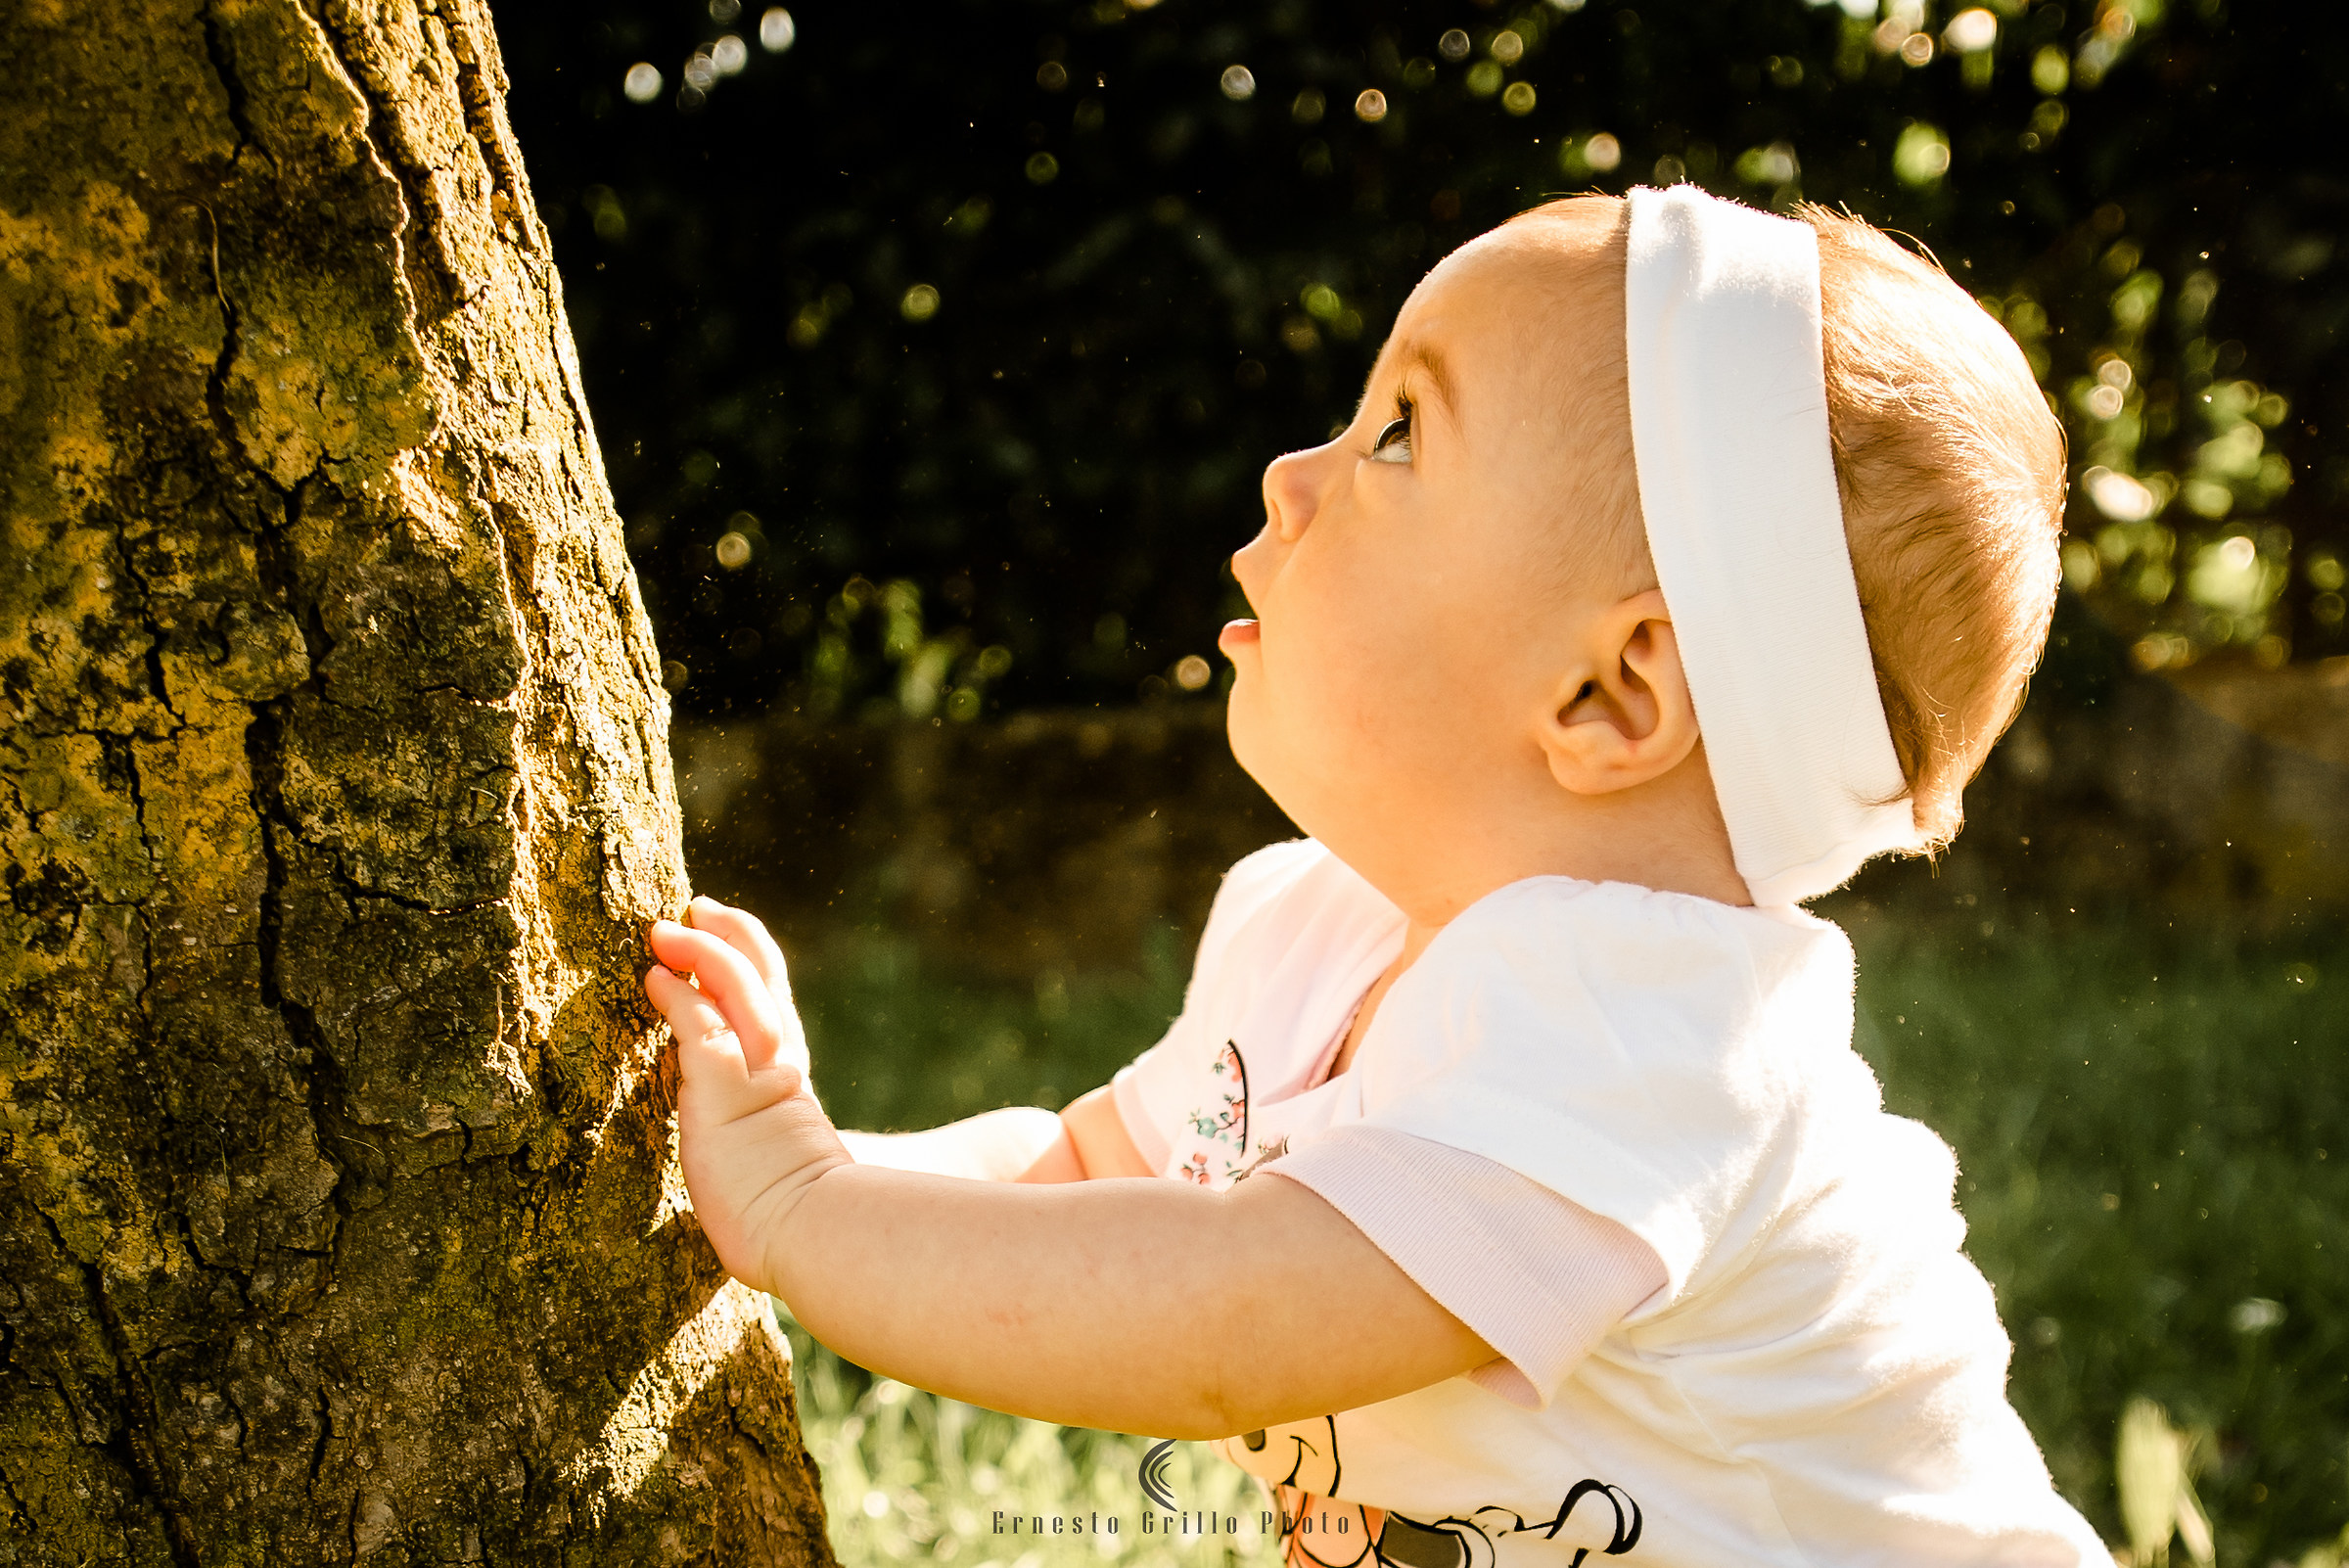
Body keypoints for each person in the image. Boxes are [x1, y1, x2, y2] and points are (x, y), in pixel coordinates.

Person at [645, 186, 2109, 1565]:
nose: (1293, 476)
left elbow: (1222, 1316)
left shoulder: (1654, 1035)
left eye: (1397, 433)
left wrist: (806, 1212)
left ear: (1611, 692)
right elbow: (1088, 1174)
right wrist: (796, 1152)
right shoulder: (1311, 923)